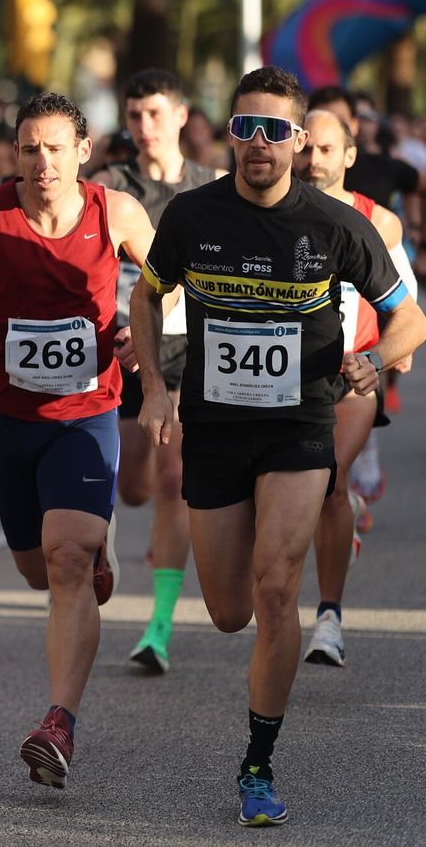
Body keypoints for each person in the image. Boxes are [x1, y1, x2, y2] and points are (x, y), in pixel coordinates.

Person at [130, 65, 426, 827]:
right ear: (228, 133)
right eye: (243, 127)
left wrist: (373, 358)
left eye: (273, 130)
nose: (256, 143)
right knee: (229, 610)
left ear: (299, 139)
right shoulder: (194, 214)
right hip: (217, 429)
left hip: (301, 425)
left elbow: (411, 318)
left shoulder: (335, 224)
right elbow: (146, 293)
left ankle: (257, 763)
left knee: (274, 588)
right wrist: (156, 391)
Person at [0, 91, 152, 790]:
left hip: (88, 415)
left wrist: (139, 333)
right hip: (11, 418)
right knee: (36, 569)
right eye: (30, 147)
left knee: (66, 561)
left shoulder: (116, 212)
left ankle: (59, 720)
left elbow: (170, 280)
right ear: (15, 153)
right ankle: (90, 545)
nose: (42, 160)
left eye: (56, 147)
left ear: (83, 150)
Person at [89, 70, 220, 674]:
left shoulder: (212, 188)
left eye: (155, 114)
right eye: (134, 115)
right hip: (122, 350)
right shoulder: (107, 187)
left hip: (188, 355)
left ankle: (159, 628)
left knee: (174, 483)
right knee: (135, 486)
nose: (144, 127)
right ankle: (122, 536)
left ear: (182, 115)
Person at [293, 109, 417, 668]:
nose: (314, 160)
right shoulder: (275, 215)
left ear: (348, 156)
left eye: (326, 150)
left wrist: (387, 354)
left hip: (351, 378)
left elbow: (406, 307)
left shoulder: (380, 223)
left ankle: (329, 618)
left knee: (330, 479)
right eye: (307, 149)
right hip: (282, 379)